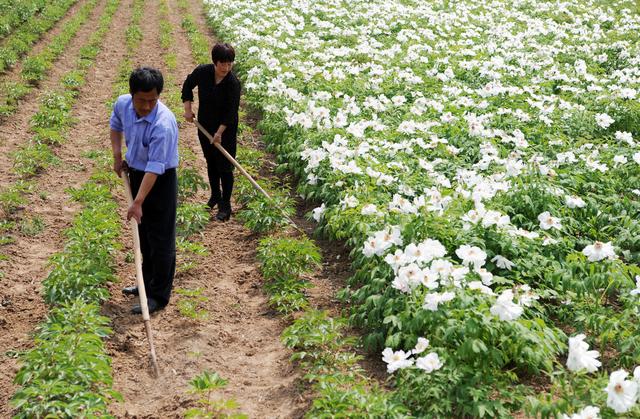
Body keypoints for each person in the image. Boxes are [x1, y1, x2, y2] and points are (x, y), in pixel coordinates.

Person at [110, 67, 179, 314]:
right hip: (137, 173)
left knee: (161, 239)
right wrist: (118, 156)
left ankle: (158, 296)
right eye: (142, 100)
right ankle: (145, 284)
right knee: (144, 236)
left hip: (159, 180)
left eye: (153, 100)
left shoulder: (164, 123)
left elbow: (156, 167)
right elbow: (115, 124)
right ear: (132, 95)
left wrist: (137, 202)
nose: (147, 106)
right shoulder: (123, 105)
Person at [181, 42, 241, 221]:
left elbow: (231, 112)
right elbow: (187, 86)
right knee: (211, 162)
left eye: (230, 64)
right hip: (205, 126)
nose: (226, 67)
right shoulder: (203, 72)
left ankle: (225, 205)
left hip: (226, 130)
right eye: (223, 63)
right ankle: (215, 195)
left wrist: (220, 133)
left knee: (225, 167)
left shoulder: (233, 83)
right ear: (215, 62)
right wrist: (188, 108)